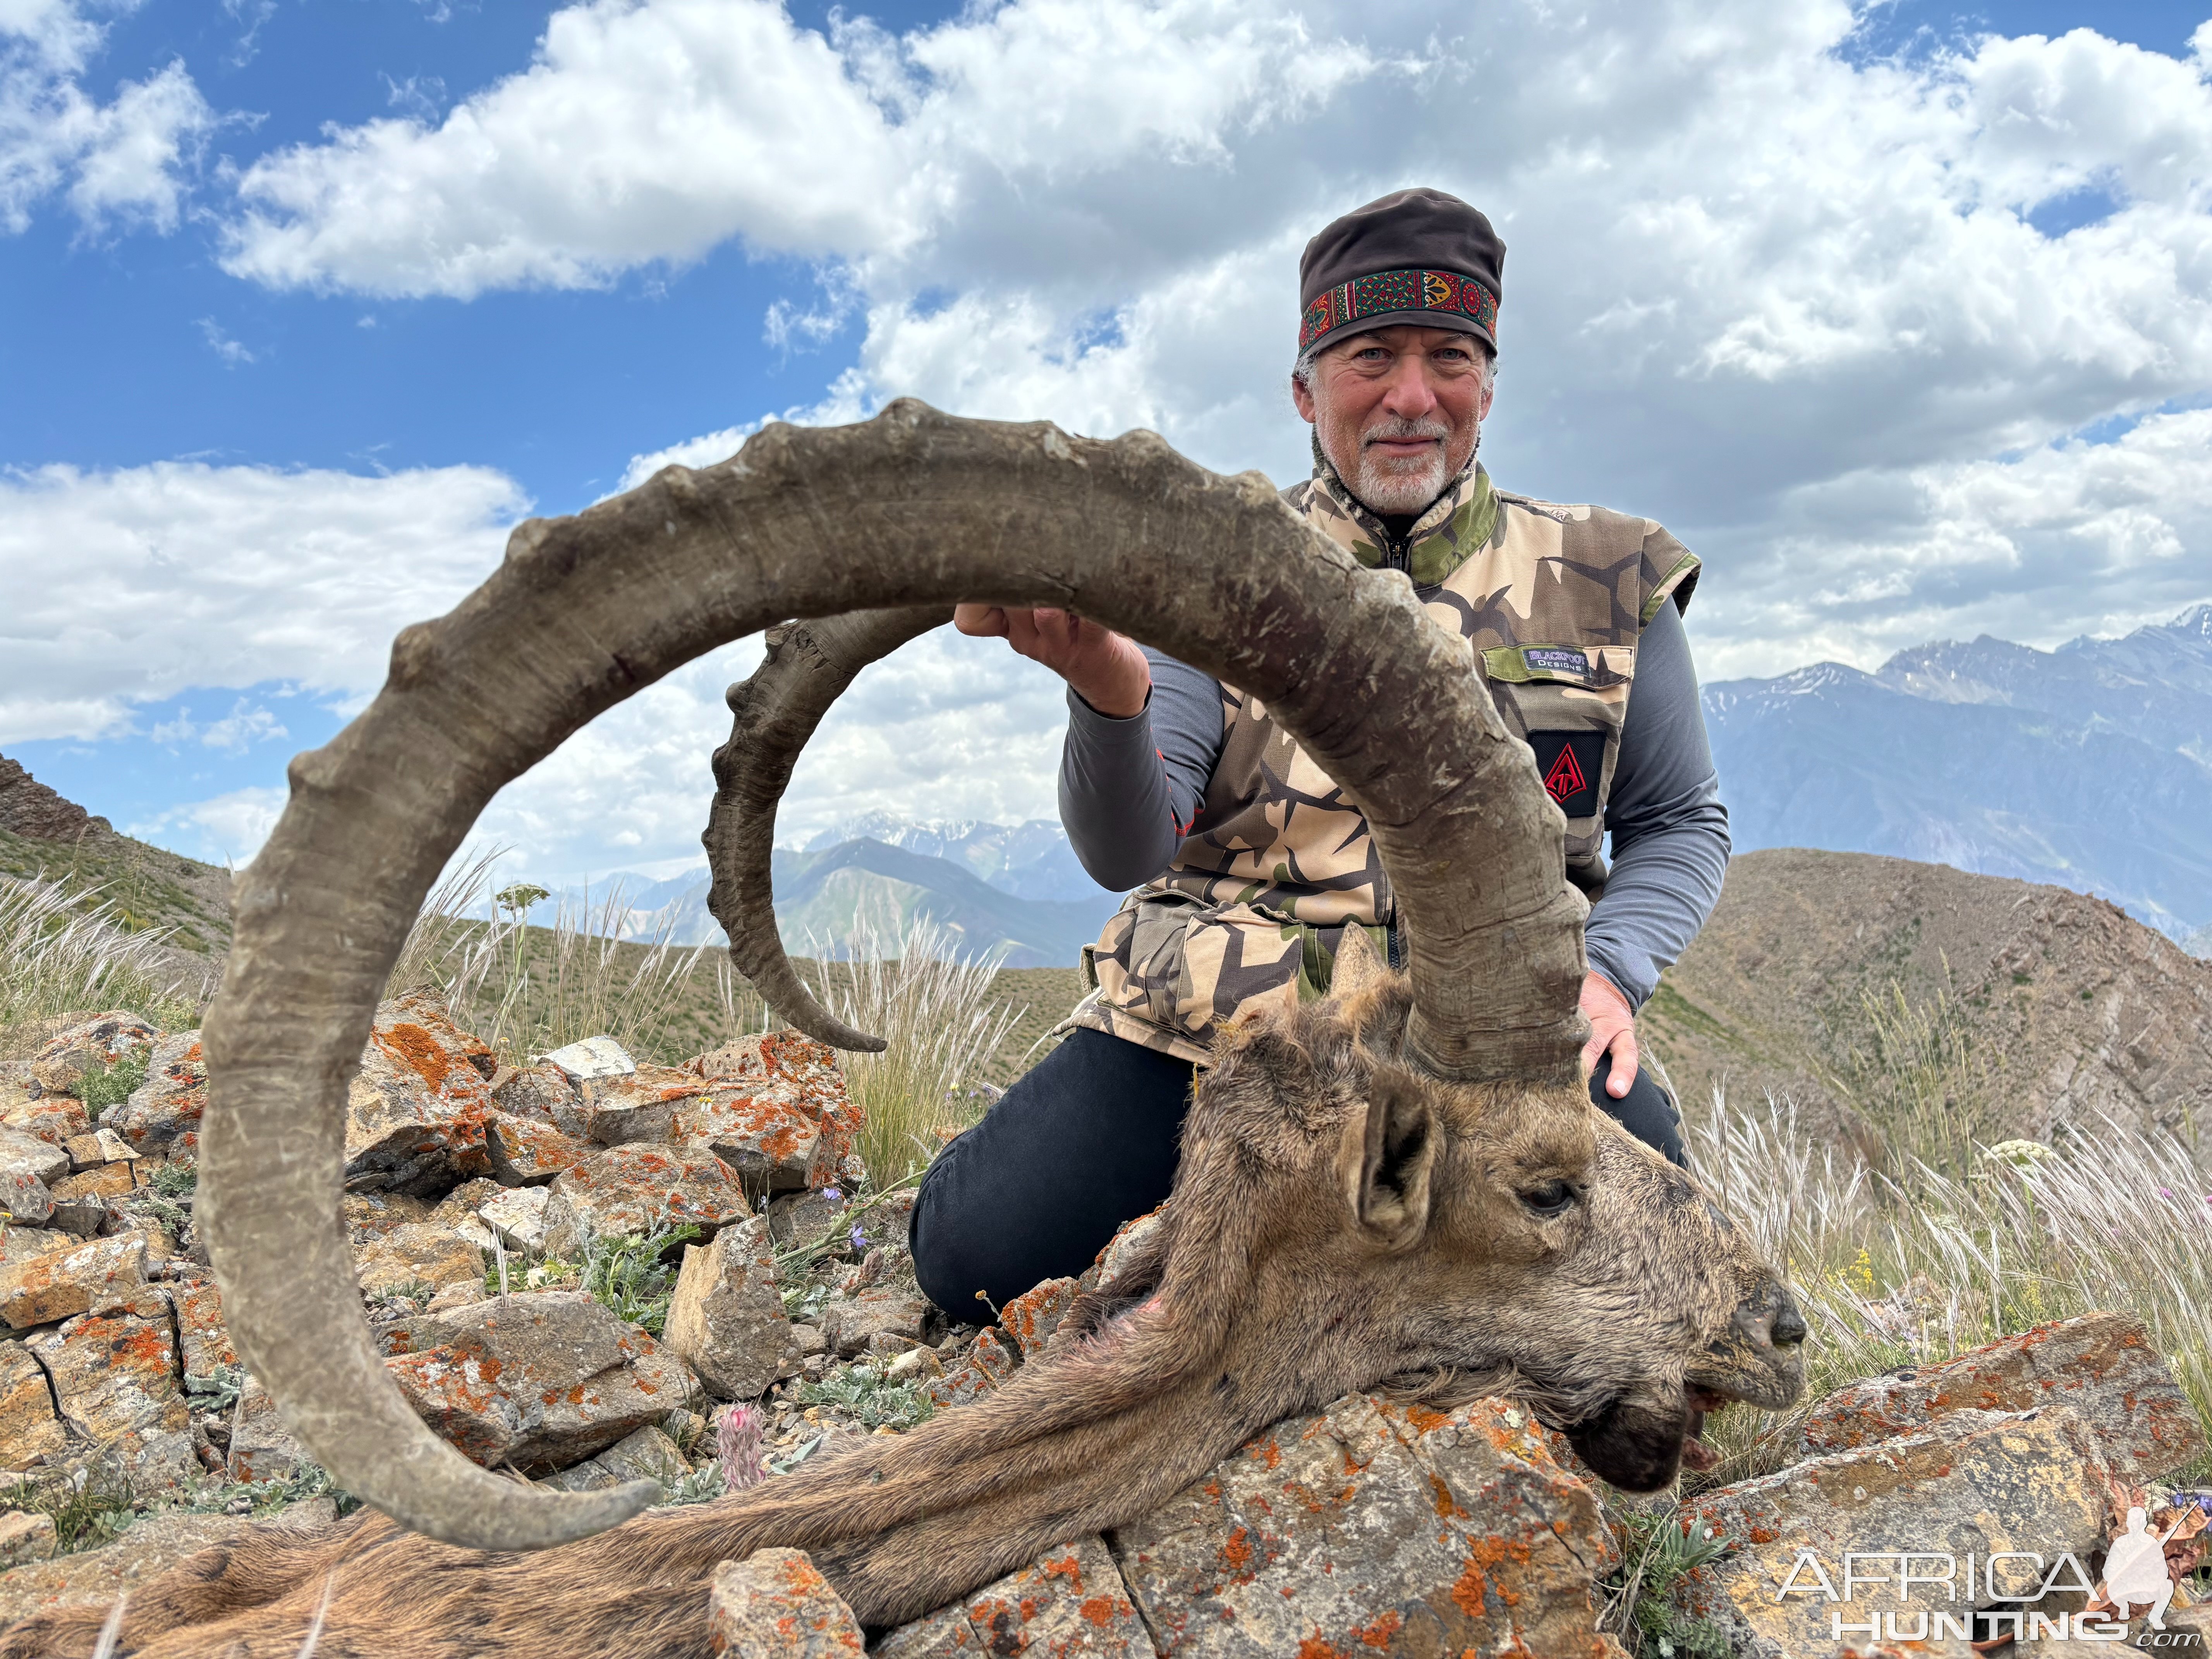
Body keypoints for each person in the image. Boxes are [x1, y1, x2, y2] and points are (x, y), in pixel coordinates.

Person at [909, 187, 1731, 1315]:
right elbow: (1131, 845)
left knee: (1667, 1301)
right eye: (1369, 356)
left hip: (1496, 1033)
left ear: (1488, 384)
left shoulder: (1615, 577)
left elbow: (1683, 825)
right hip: (1231, 1030)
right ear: (1305, 389)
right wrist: (1108, 686)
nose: (1411, 395)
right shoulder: (1208, 567)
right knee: (973, 1260)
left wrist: (1609, 974)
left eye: (1449, 356)